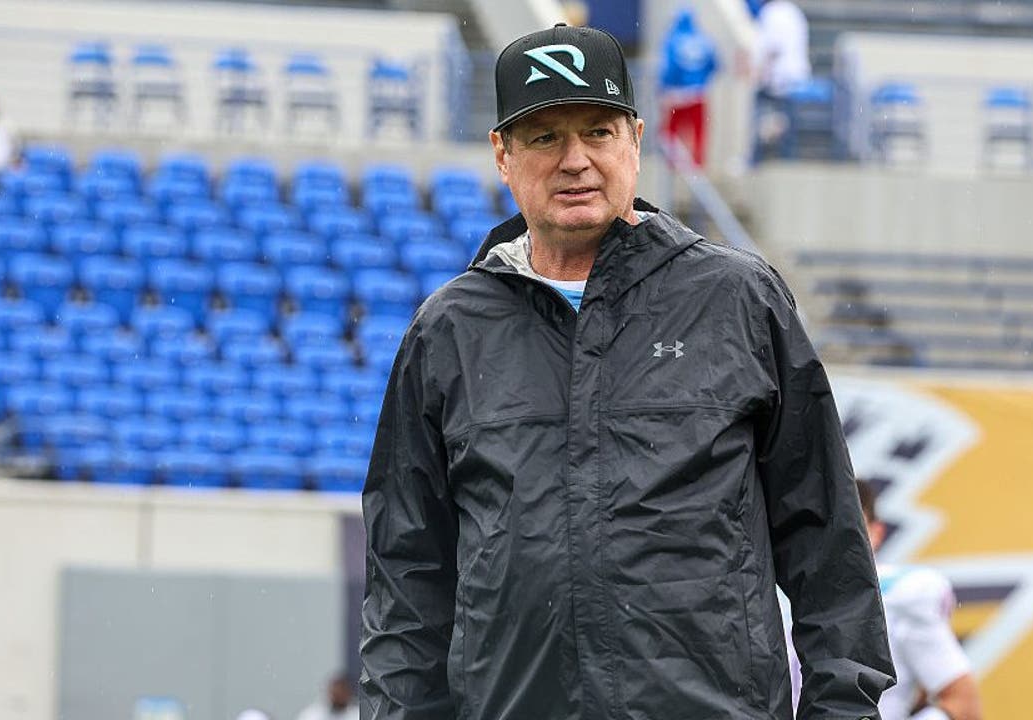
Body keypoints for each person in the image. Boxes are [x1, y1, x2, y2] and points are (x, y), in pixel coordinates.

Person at [360, 23, 893, 719]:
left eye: (598, 131)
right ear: (502, 155)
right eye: (544, 136)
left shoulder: (736, 301)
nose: (575, 160)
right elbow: (406, 583)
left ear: (635, 141)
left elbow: (829, 547)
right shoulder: (449, 332)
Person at [829, 480, 982, 720]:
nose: (836, 540)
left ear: (876, 533)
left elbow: (963, 704)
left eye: (851, 527)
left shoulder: (899, 594)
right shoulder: (773, 595)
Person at [752, 0, 811, 161]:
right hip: (797, 74)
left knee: (759, 114)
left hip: (780, 76)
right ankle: (787, 156)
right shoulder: (793, 11)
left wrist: (761, 73)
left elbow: (773, 47)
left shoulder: (771, 12)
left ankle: (757, 157)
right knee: (788, 119)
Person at [659, 8, 718, 167]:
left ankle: (673, 166)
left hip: (676, 96)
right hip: (698, 94)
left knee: (669, 133)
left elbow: (667, 69)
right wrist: (701, 81)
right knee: (698, 132)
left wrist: (663, 89)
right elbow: (714, 65)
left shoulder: (673, 40)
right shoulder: (704, 40)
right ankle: (697, 165)